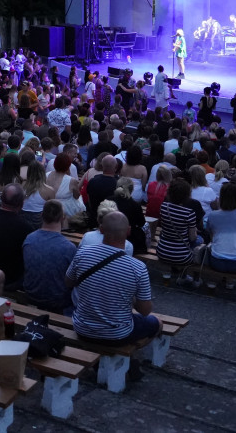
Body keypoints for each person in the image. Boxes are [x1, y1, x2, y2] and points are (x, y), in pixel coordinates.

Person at [66, 211, 160, 379]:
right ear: (129, 231)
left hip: (81, 326)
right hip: (117, 334)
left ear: (101, 229)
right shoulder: (137, 268)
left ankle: (123, 362)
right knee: (156, 322)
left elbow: (68, 283)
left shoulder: (83, 253)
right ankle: (129, 361)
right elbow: (145, 310)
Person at [23, 200, 76, 314]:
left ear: (42, 215)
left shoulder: (29, 239)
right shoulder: (69, 248)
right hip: (58, 301)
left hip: (31, 294)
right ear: (63, 218)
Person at [85, 155, 119, 228]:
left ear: (102, 166)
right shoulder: (118, 184)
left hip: (94, 219)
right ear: (116, 167)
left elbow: (89, 201)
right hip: (112, 223)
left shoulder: (92, 181)